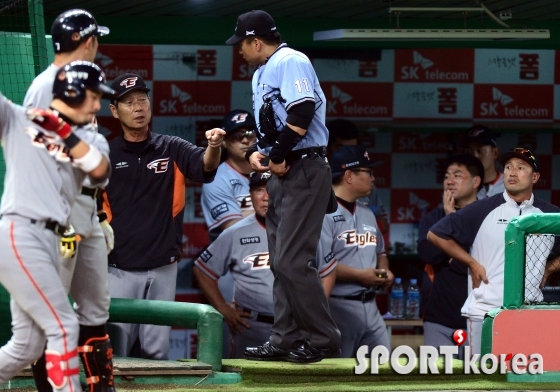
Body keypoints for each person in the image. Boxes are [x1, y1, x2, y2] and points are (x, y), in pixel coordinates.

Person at [226, 10, 341, 363]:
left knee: (292, 261)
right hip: (285, 170)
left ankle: (323, 338)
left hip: (304, 168)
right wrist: (263, 153)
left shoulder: (291, 60)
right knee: (279, 261)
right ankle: (285, 338)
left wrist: (276, 154)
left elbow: (303, 109)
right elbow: (276, 125)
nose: (239, 51)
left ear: (256, 41)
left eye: (242, 44)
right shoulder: (262, 71)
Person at [0, 61, 112, 392]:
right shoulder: (20, 119)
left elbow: (100, 171)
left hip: (55, 240)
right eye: (93, 97)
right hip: (21, 232)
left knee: (27, 345)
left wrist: (64, 132)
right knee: (63, 324)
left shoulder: (92, 138)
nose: (97, 106)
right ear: (74, 92)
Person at [22, 9, 115, 391]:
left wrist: (99, 213)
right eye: (97, 40)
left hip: (86, 210)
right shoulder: (46, 85)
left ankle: (99, 387)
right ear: (88, 42)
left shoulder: (81, 81)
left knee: (95, 309)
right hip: (56, 212)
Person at [102, 73, 225, 360]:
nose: (138, 107)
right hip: (118, 268)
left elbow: (204, 166)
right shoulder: (104, 154)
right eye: (129, 102)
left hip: (163, 268)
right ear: (114, 110)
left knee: (156, 351)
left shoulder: (172, 147)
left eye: (143, 99)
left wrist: (215, 147)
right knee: (115, 349)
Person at [428, 148, 560, 355]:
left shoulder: (550, 214)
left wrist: (549, 269)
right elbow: (435, 234)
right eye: (508, 167)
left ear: (535, 177)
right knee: (481, 379)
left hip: (530, 311)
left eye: (520, 167)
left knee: (527, 379)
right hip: (485, 312)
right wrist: (472, 263)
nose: (512, 172)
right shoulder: (482, 209)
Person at [195, 171, 338, 358]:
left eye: (271, 189)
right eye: (259, 190)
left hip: (298, 328)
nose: (265, 197)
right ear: (250, 195)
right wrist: (223, 309)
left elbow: (328, 270)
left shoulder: (304, 228)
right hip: (251, 327)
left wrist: (311, 311)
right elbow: (202, 269)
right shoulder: (235, 232)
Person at [318, 145, 394, 358]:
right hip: (338, 306)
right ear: (349, 176)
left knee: (384, 371)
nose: (373, 178)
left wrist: (384, 270)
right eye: (368, 172)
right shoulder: (322, 212)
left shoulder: (367, 211)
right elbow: (320, 265)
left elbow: (381, 252)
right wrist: (361, 276)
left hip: (371, 306)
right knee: (339, 378)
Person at [417, 154, 484, 360]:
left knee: (479, 383)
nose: (449, 181)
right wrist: (449, 220)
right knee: (438, 383)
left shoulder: (488, 216)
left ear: (476, 181)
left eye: (457, 175)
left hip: (479, 317)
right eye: (447, 176)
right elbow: (427, 253)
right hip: (439, 318)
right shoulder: (434, 218)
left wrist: (450, 250)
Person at [202, 109, 257, 242]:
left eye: (249, 134)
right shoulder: (216, 179)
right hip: (234, 253)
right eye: (237, 135)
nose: (245, 140)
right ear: (224, 142)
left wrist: (249, 215)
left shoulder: (271, 171)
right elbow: (235, 228)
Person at [326, 119, 389, 234]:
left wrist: (364, 221)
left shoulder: (366, 184)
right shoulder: (316, 182)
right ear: (327, 149)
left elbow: (383, 223)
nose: (347, 154)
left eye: (352, 149)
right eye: (340, 148)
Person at [461, 125, 505, 199]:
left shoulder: (512, 186)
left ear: (495, 152)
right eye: (468, 151)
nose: (475, 156)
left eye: (480, 150)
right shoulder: (458, 187)